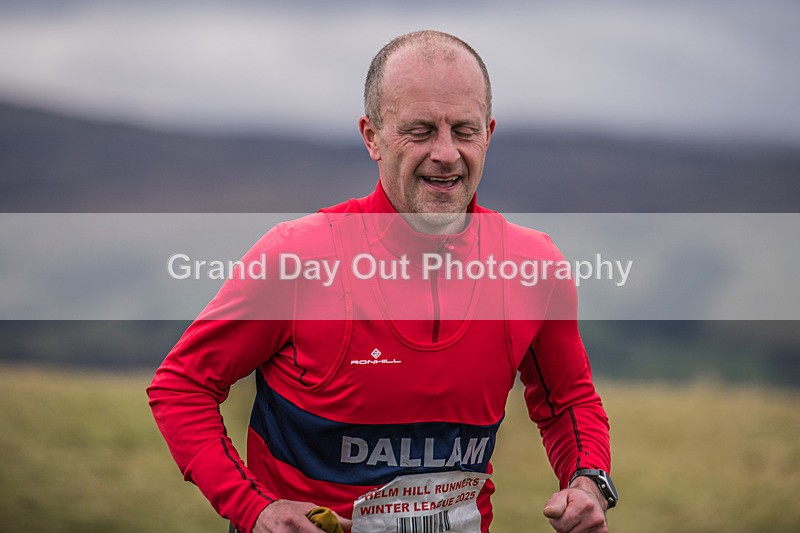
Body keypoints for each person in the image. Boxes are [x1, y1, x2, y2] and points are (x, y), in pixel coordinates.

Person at [148, 30, 616, 533]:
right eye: (419, 130)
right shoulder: (298, 257)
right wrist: (252, 509)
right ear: (371, 136)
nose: (446, 153)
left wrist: (588, 482)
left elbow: (569, 400)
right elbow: (182, 385)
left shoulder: (533, 268)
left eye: (464, 130)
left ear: (489, 133)